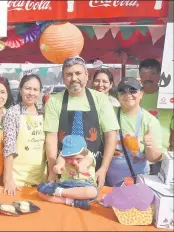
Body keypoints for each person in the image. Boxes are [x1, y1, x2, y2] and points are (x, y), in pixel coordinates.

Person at [44, 56, 119, 189]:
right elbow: (51, 138)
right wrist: (52, 170)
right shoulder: (54, 101)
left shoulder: (100, 99)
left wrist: (103, 169)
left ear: (86, 75)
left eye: (78, 73)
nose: (73, 78)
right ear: (63, 77)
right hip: (63, 170)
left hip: (92, 170)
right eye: (68, 74)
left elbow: (110, 136)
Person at [106, 77, 163, 186]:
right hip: (109, 181)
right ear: (118, 96)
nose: (128, 94)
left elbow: (154, 158)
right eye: (123, 91)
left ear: (141, 94)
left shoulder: (150, 121)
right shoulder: (109, 114)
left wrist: (150, 146)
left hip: (137, 181)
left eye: (133, 90)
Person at [3, 74, 46, 195]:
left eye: (35, 89)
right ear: (20, 90)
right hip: (17, 180)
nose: (31, 93)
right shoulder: (13, 113)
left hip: (41, 178)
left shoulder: (43, 112)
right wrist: (8, 180)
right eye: (28, 88)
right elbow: (9, 148)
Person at [38, 135, 98, 210]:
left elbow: (88, 160)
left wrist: (83, 165)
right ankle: (70, 201)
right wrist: (59, 165)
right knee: (41, 192)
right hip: (65, 184)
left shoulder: (88, 156)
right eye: (69, 158)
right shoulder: (63, 156)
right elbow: (61, 158)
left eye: (78, 158)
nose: (74, 162)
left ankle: (59, 192)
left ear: (85, 152)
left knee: (93, 192)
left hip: (84, 185)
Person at [138, 59, 173, 172]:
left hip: (161, 155)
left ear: (159, 76)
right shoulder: (133, 96)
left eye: (152, 74)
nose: (147, 78)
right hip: (137, 155)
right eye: (144, 74)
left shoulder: (168, 98)